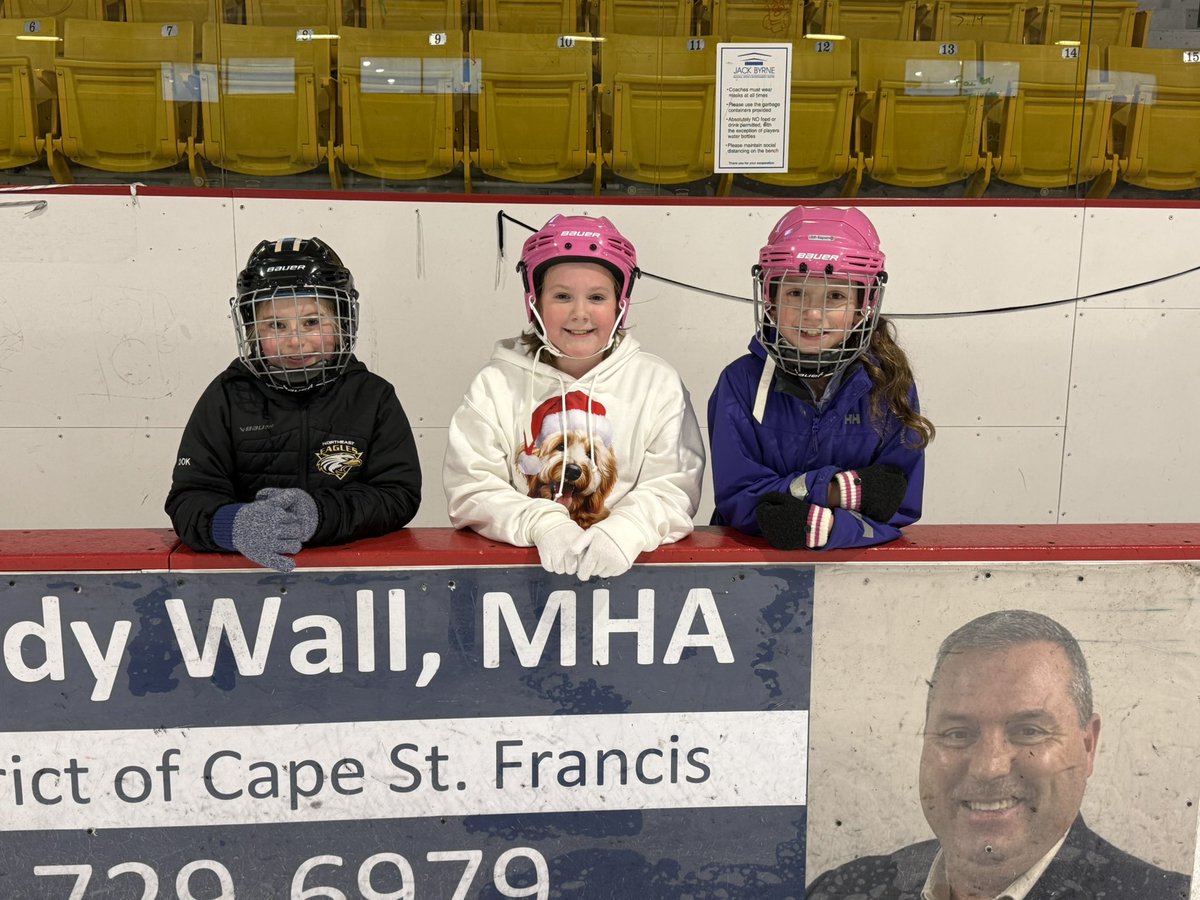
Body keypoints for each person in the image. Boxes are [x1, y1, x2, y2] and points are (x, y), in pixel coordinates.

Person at [807, 609, 1191, 900]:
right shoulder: (843, 891)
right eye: (958, 733)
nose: (989, 767)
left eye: (1028, 731)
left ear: (1088, 745)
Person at [443, 213, 704, 580]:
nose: (580, 313)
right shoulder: (496, 384)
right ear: (534, 302)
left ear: (620, 303)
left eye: (597, 297)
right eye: (562, 296)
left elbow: (675, 486)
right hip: (517, 588)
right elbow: (471, 488)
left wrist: (626, 530)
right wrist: (542, 523)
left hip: (634, 587)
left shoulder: (657, 384)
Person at [166, 236, 421, 572]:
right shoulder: (226, 397)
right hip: (246, 578)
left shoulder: (372, 397)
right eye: (276, 325)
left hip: (350, 577)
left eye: (312, 322)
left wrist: (319, 515)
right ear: (252, 330)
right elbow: (189, 499)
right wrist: (233, 525)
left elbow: (397, 494)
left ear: (343, 322)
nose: (295, 340)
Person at [707, 205, 933, 550]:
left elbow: (896, 505)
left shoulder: (888, 386)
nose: (812, 314)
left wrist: (822, 528)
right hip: (750, 564)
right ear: (770, 298)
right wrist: (838, 491)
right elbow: (739, 497)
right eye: (796, 293)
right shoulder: (740, 383)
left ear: (863, 304)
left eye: (836, 296)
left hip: (856, 569)